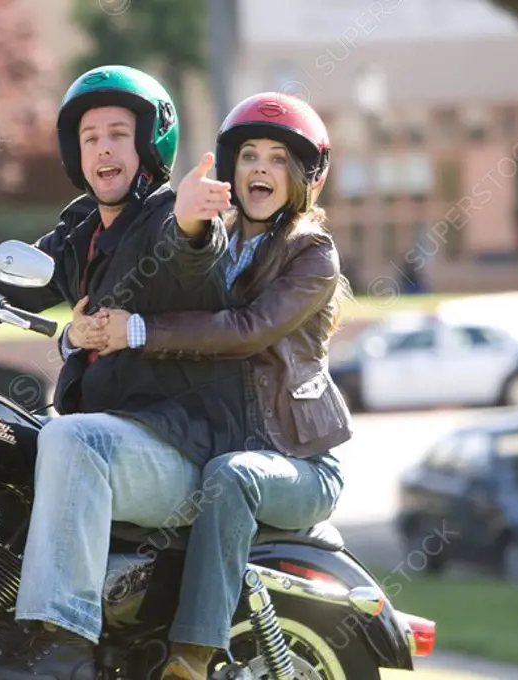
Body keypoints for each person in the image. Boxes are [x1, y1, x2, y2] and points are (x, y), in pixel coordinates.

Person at [0, 65, 257, 680]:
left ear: (148, 145)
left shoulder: (168, 217)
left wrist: (193, 220)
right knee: (5, 449)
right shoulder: (83, 228)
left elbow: (191, 256)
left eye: (117, 133)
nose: (103, 147)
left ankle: (63, 648)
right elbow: (1, 286)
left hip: (183, 453)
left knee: (68, 438)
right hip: (120, 447)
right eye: (90, 138)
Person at [89, 92, 353, 679]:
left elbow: (245, 331)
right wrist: (85, 327)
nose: (260, 168)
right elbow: (155, 292)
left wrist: (136, 330)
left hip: (296, 462)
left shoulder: (312, 254)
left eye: (279, 158)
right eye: (250, 154)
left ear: (305, 176)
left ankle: (192, 655)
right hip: (217, 436)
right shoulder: (215, 239)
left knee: (233, 475)